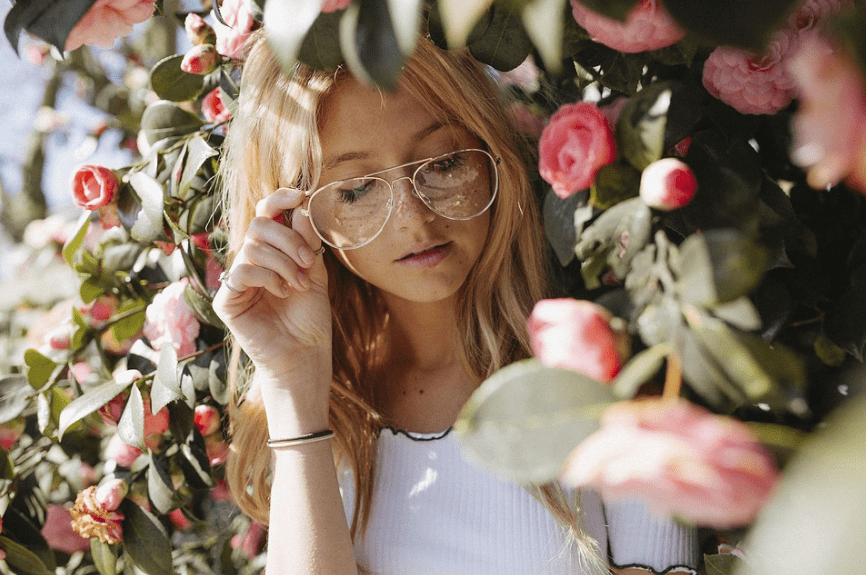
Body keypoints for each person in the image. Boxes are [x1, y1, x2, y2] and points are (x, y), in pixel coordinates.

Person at [213, 27, 699, 575]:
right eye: (356, 189)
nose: (414, 218)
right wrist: (293, 382)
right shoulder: (321, 419)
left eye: (443, 163)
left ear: (492, 154)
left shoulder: (615, 372)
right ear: (296, 220)